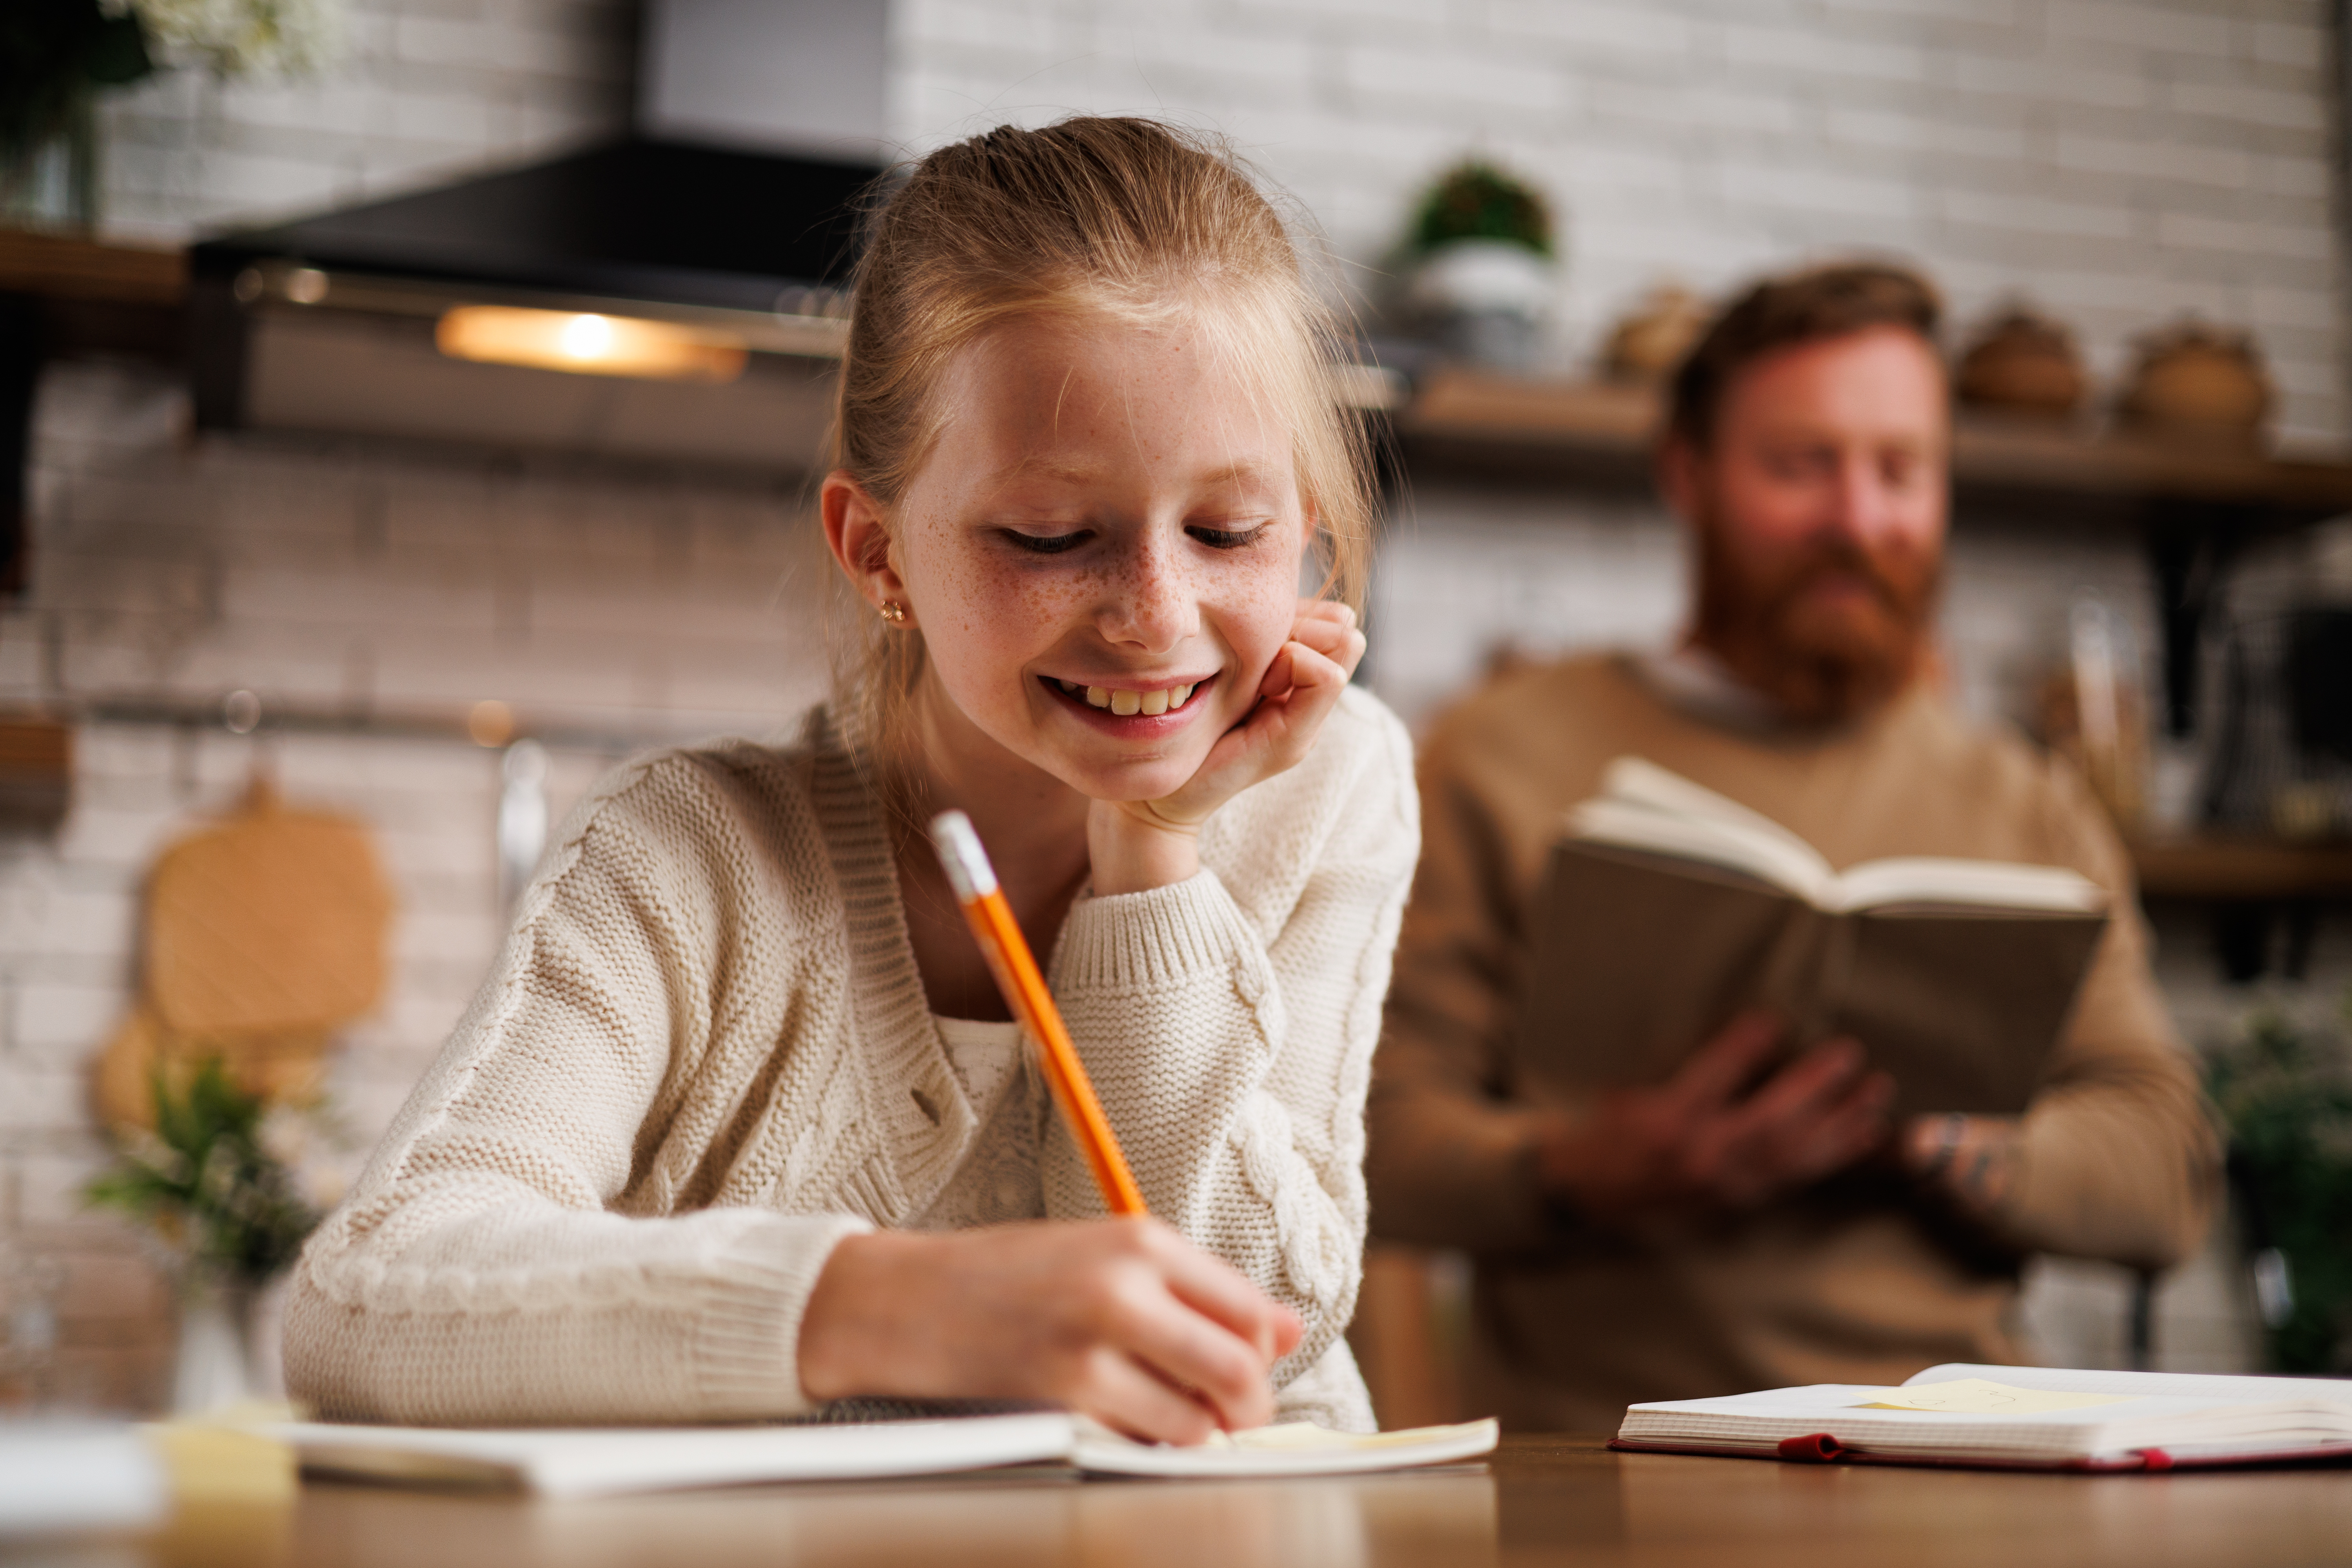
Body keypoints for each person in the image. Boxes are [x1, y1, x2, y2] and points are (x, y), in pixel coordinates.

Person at [285, 118, 1418, 1442]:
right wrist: (885, 1304)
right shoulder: (689, 857)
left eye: (1228, 531)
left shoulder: (1335, 784)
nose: (1157, 617)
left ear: (1309, 534)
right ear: (879, 553)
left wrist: (1152, 853)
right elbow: (364, 1298)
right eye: (1051, 536)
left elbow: (1263, 1339)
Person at [1365, 263, 2219, 1432]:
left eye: (1900, 470)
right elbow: (1371, 1138)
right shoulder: (1498, 757)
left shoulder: (2028, 803)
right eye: (1801, 465)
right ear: (1689, 476)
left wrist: (1944, 1144)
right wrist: (1589, 1165)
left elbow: (2168, 1168)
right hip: (1609, 1470)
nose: (1859, 520)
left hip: (1959, 1459)